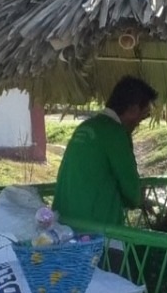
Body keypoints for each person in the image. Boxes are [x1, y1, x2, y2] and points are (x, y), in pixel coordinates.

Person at [52, 75, 157, 230]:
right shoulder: (116, 133)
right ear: (133, 109)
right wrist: (139, 197)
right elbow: (133, 194)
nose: (138, 125)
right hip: (98, 234)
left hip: (63, 228)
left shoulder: (85, 127)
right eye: (142, 117)